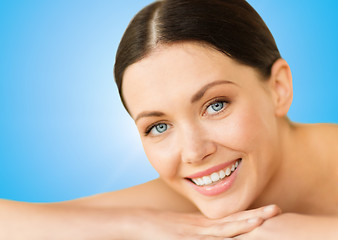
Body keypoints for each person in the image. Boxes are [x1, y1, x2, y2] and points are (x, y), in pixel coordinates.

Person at [1, 0, 337, 239]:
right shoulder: (194, 194)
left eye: (216, 105)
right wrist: (137, 226)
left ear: (278, 88)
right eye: (158, 127)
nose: (193, 152)